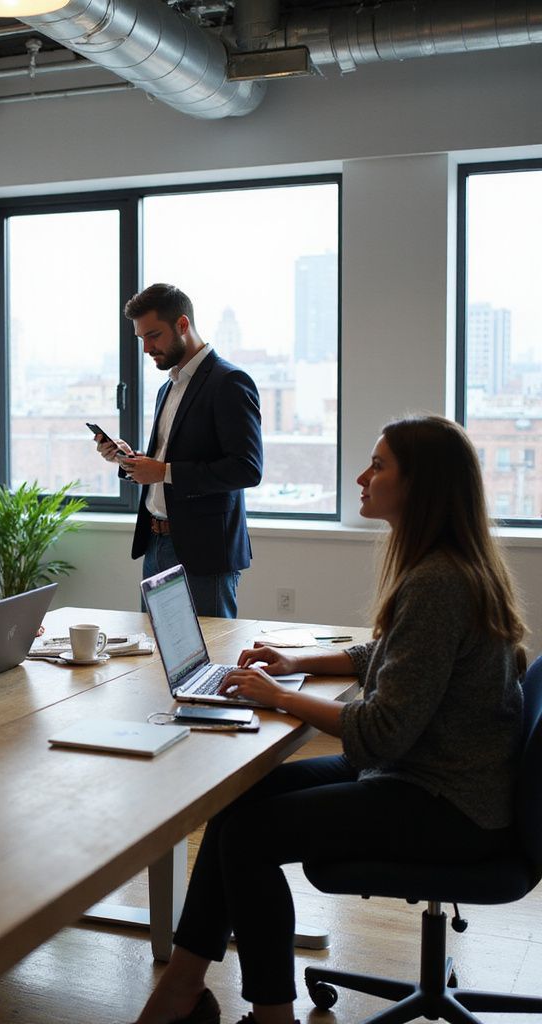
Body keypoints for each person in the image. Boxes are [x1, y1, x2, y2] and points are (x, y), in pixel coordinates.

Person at [132, 414, 526, 1024]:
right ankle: (184, 988)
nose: (363, 478)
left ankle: (267, 1015)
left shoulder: (438, 583)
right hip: (431, 778)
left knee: (248, 837)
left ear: (421, 485)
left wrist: (277, 695)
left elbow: (379, 733)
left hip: (448, 803)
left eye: (379, 465)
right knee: (237, 799)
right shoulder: (449, 567)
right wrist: (297, 661)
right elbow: (391, 655)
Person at [95, 283, 262, 618]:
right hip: (155, 543)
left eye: (153, 335)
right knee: (154, 658)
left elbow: (247, 468)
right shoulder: (166, 388)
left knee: (210, 658)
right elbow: (168, 462)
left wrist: (163, 472)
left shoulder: (229, 382)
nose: (146, 348)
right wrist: (130, 459)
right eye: (141, 338)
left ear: (182, 325)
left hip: (204, 552)